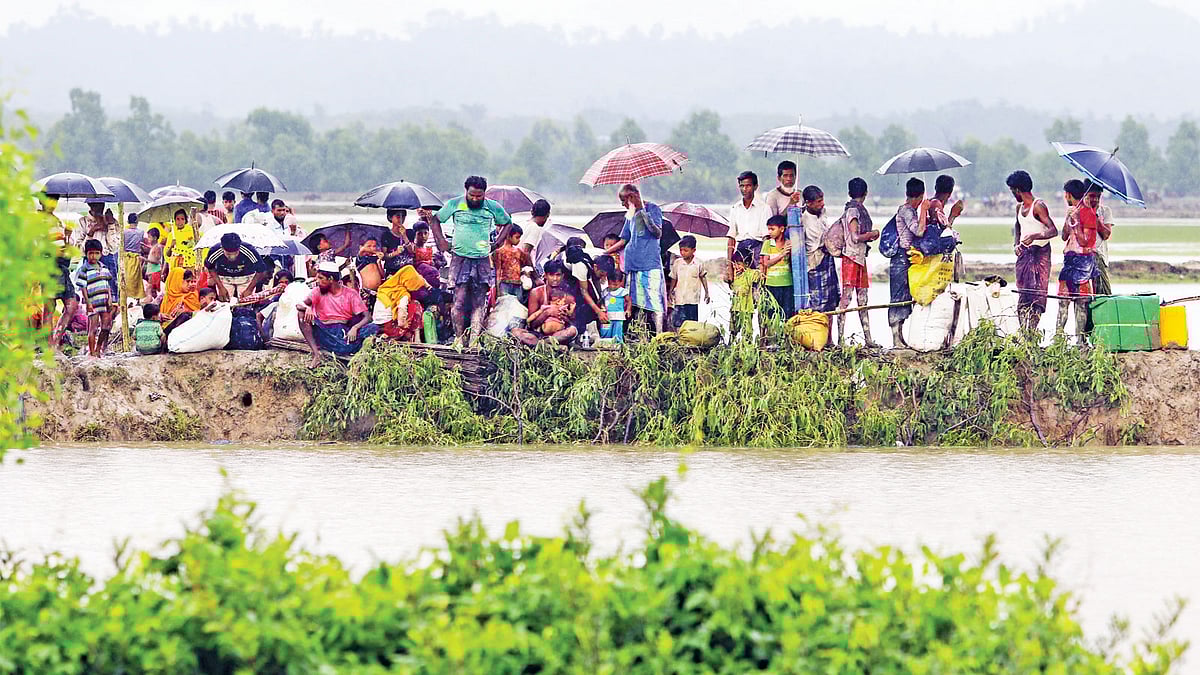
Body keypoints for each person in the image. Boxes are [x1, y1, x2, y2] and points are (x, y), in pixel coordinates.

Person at [430, 175, 514, 347]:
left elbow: (508, 223)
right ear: (466, 191)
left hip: (482, 259)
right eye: (472, 195)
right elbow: (436, 220)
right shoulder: (455, 204)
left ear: (484, 194)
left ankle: (474, 341)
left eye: (479, 196)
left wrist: (497, 243)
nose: (475, 199)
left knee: (479, 302)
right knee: (459, 301)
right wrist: (442, 241)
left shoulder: (492, 207)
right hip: (460, 258)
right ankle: (459, 339)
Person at [603, 184, 665, 334]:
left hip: (650, 264)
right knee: (633, 302)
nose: (623, 205)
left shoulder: (652, 209)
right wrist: (605, 253)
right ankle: (633, 336)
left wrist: (642, 210)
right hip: (632, 265)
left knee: (653, 302)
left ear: (631, 197)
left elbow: (657, 233)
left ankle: (657, 336)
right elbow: (624, 239)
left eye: (624, 201)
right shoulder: (630, 214)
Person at [297, 261, 380, 366]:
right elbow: (299, 305)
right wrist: (307, 307)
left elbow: (367, 317)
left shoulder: (350, 294)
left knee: (374, 327)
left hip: (343, 333)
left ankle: (347, 347)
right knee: (301, 314)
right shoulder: (317, 291)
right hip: (324, 332)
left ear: (331, 279)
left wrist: (355, 328)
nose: (317, 281)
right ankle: (317, 354)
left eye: (321, 278)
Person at [1007, 170, 1058, 332]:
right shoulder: (1019, 208)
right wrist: (1016, 244)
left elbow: (1053, 230)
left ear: (1018, 190)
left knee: (1037, 294)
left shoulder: (1038, 206)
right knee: (1023, 293)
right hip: (1024, 254)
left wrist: (1035, 236)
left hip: (1040, 254)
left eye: (1012, 191)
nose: (1013, 194)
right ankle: (1024, 332)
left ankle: (1032, 332)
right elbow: (1017, 225)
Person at [836, 178, 880, 347]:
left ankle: (868, 339)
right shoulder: (853, 211)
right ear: (866, 193)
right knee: (846, 299)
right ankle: (840, 340)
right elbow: (855, 237)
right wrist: (871, 234)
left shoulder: (854, 209)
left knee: (863, 298)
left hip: (859, 257)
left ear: (849, 193)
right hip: (851, 258)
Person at [1056, 179, 1101, 340]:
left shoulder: (1088, 214)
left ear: (1068, 195)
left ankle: (1080, 341)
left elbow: (1084, 242)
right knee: (1063, 300)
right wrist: (1068, 219)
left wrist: (1075, 222)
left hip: (1083, 262)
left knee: (1081, 303)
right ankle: (1058, 339)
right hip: (1069, 260)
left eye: (1065, 194)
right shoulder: (1072, 211)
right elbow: (1064, 236)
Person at [890, 178, 927, 348]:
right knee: (898, 296)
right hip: (900, 257)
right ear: (920, 196)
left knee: (905, 296)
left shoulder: (909, 210)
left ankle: (900, 337)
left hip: (907, 257)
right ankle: (896, 338)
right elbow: (919, 231)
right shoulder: (907, 211)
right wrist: (924, 211)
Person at [510, 260, 578, 346]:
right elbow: (531, 324)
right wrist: (547, 313)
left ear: (563, 276)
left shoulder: (568, 297)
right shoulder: (536, 293)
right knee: (515, 332)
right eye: (551, 275)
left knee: (572, 331)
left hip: (557, 334)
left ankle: (544, 344)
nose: (555, 278)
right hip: (537, 334)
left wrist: (565, 317)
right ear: (545, 275)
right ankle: (548, 345)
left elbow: (572, 323)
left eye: (558, 275)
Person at [800, 186, 840, 328]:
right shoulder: (803, 219)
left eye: (822, 200)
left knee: (831, 301)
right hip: (814, 263)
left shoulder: (823, 213)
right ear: (808, 203)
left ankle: (829, 336)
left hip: (828, 261)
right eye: (818, 201)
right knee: (818, 302)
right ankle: (818, 334)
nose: (822, 203)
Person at [72, 239, 115, 357]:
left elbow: (107, 285)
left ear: (101, 254)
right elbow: (83, 287)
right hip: (93, 303)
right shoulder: (84, 269)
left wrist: (110, 299)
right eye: (91, 253)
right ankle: (92, 352)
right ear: (86, 254)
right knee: (93, 328)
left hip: (104, 302)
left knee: (106, 327)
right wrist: (88, 303)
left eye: (96, 253)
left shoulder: (104, 268)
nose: (93, 256)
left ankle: (98, 348)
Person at [71, 202, 121, 298]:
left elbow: (114, 247)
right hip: (89, 261)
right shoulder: (83, 222)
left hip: (107, 259)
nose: (100, 207)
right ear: (90, 205)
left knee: (111, 294)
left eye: (101, 204)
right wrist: (92, 231)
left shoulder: (111, 221)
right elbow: (80, 250)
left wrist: (110, 225)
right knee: (91, 293)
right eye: (96, 205)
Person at [205, 232, 271, 301]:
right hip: (224, 278)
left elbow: (260, 270)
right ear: (222, 248)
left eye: (235, 253)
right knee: (224, 303)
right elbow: (210, 268)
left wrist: (249, 289)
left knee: (246, 302)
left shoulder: (249, 250)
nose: (232, 257)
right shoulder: (214, 251)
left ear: (239, 248)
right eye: (228, 254)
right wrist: (220, 287)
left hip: (246, 278)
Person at [727, 170, 771, 263]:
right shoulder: (735, 208)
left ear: (755, 186)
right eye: (742, 186)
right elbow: (731, 237)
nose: (744, 189)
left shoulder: (764, 208)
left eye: (748, 186)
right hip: (740, 252)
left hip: (758, 250)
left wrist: (763, 260)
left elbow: (766, 237)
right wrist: (729, 264)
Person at [760, 214, 793, 321]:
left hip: (787, 284)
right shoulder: (768, 244)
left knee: (787, 314)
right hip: (771, 284)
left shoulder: (789, 243)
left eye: (772, 229)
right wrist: (781, 255)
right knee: (772, 315)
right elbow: (766, 263)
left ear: (782, 229)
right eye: (768, 229)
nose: (769, 232)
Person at [669, 235, 709, 324]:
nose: (682, 253)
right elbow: (674, 278)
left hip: (692, 299)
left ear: (693, 250)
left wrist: (707, 293)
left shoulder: (699, 263)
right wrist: (670, 292)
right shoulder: (677, 263)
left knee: (692, 324)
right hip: (679, 298)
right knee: (678, 323)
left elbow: (703, 277)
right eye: (681, 250)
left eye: (686, 250)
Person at [726, 245, 762, 341]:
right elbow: (732, 287)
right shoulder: (736, 275)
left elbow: (759, 275)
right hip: (735, 308)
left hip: (747, 309)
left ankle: (747, 345)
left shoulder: (750, 273)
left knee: (747, 330)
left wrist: (761, 264)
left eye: (738, 264)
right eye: (734, 264)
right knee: (733, 329)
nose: (736, 266)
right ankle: (731, 343)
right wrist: (728, 279)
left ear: (746, 263)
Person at [1086, 182, 1115, 296]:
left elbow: (1106, 234)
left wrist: (1095, 217)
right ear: (1085, 195)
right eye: (1092, 196)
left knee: (1102, 292)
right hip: (1082, 256)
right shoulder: (1079, 211)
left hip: (1099, 256)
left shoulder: (1105, 211)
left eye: (1098, 197)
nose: (1096, 200)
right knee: (1083, 295)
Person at [493, 224, 533, 298]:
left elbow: (524, 266)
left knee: (517, 303)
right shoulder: (499, 252)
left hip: (518, 283)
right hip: (504, 283)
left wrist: (526, 273)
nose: (519, 240)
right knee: (504, 302)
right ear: (508, 236)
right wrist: (498, 289)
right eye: (517, 237)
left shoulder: (519, 252)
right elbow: (498, 271)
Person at [599, 270, 630, 343]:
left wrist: (628, 310)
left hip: (618, 317)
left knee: (617, 333)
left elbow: (629, 301)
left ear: (621, 282)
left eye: (615, 285)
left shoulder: (623, 292)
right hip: (607, 317)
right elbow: (601, 301)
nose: (612, 286)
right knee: (605, 332)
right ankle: (605, 345)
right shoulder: (605, 291)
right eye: (610, 284)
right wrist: (602, 308)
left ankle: (617, 345)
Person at [122, 213, 146, 301]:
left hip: (125, 258)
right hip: (136, 258)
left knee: (125, 278)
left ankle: (125, 296)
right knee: (136, 280)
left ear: (128, 221)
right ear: (137, 221)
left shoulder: (124, 232)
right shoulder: (141, 232)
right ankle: (136, 298)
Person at [145, 229, 164, 298]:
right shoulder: (154, 246)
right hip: (152, 271)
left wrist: (145, 259)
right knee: (152, 290)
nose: (148, 239)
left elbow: (157, 262)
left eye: (149, 237)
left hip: (155, 271)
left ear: (155, 238)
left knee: (150, 289)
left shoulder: (157, 247)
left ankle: (151, 301)